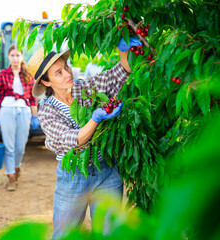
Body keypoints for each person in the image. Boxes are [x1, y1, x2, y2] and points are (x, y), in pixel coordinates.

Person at [27, 37, 142, 239]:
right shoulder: (47, 112)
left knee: (109, 234)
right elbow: (74, 140)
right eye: (58, 73)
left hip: (105, 171)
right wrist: (96, 118)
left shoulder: (84, 88)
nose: (68, 74)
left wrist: (125, 52)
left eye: (66, 67)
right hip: (73, 177)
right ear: (46, 82)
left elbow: (119, 74)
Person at [0, 45, 40, 191]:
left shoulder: (29, 75)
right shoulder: (2, 74)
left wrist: (35, 116)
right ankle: (10, 176)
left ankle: (16, 168)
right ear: (8, 57)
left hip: (24, 111)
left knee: (20, 147)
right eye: (12, 55)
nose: (15, 58)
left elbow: (32, 98)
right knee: (9, 146)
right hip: (7, 110)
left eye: (18, 55)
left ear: (22, 57)